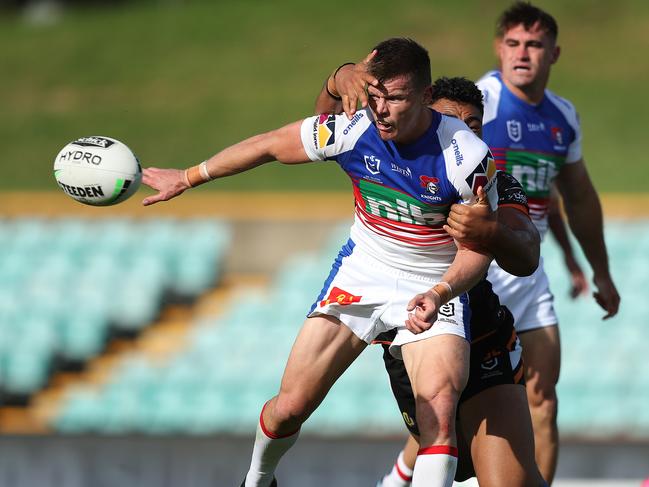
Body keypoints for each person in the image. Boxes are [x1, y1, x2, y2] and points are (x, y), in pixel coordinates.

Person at [142, 38, 498, 487]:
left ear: (427, 98)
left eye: (397, 98)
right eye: (376, 96)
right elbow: (271, 145)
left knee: (440, 416)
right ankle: (257, 478)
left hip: (432, 282)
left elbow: (478, 252)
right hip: (364, 271)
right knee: (291, 405)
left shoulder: (466, 157)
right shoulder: (354, 127)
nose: (382, 109)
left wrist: (441, 291)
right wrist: (190, 176)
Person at [320, 70, 545, 487]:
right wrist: (335, 81)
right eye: (450, 120)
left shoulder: (493, 184)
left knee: (508, 481)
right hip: (412, 345)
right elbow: (321, 130)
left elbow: (527, 252)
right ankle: (400, 472)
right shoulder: (385, 166)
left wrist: (491, 232)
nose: (461, 131)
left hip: (483, 342)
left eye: (472, 125)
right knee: (449, 458)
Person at [475, 2, 620, 482]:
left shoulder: (563, 118)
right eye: (513, 43)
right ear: (499, 50)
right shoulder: (479, 102)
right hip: (475, 270)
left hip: (528, 274)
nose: (522, 54)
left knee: (543, 398)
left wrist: (597, 270)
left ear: (553, 53)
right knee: (448, 403)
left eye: (534, 44)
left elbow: (575, 198)